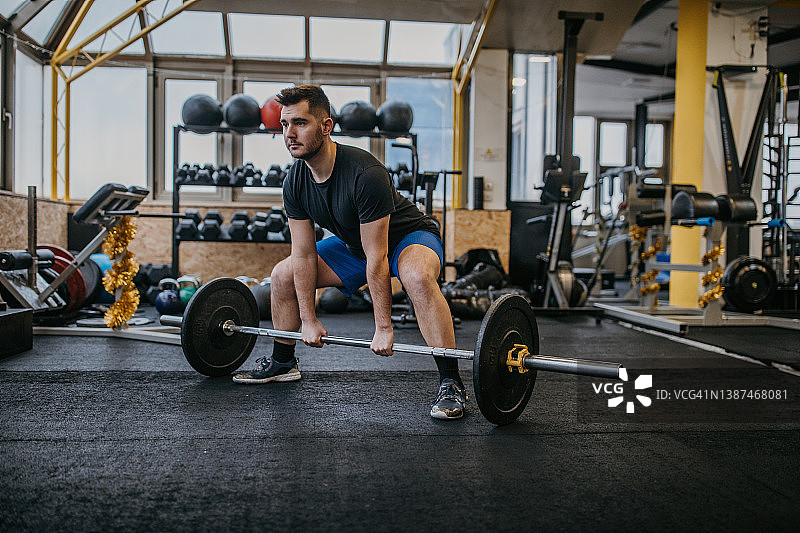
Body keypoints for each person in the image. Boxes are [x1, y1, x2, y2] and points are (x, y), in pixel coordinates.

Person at [232, 85, 466, 420]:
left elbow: (378, 257)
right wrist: (308, 320)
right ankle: (283, 362)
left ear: (326, 127)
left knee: (416, 276)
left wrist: (383, 326)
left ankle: (451, 381)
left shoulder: (364, 173)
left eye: (300, 123)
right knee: (282, 274)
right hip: (354, 244)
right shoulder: (295, 181)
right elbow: (303, 254)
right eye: (284, 125)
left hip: (408, 237)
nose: (289, 134)